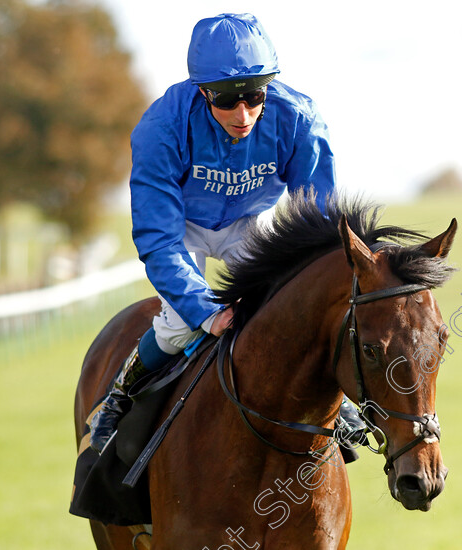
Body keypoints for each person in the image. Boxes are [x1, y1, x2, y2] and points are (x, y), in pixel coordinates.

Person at [89, 13, 365, 453]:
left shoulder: (299, 117)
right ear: (202, 91)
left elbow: (318, 223)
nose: (244, 114)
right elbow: (158, 238)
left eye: (255, 96)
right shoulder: (161, 128)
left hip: (251, 224)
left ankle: (339, 406)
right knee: (180, 326)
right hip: (182, 227)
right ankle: (114, 402)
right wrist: (205, 310)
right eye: (226, 100)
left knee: (290, 310)